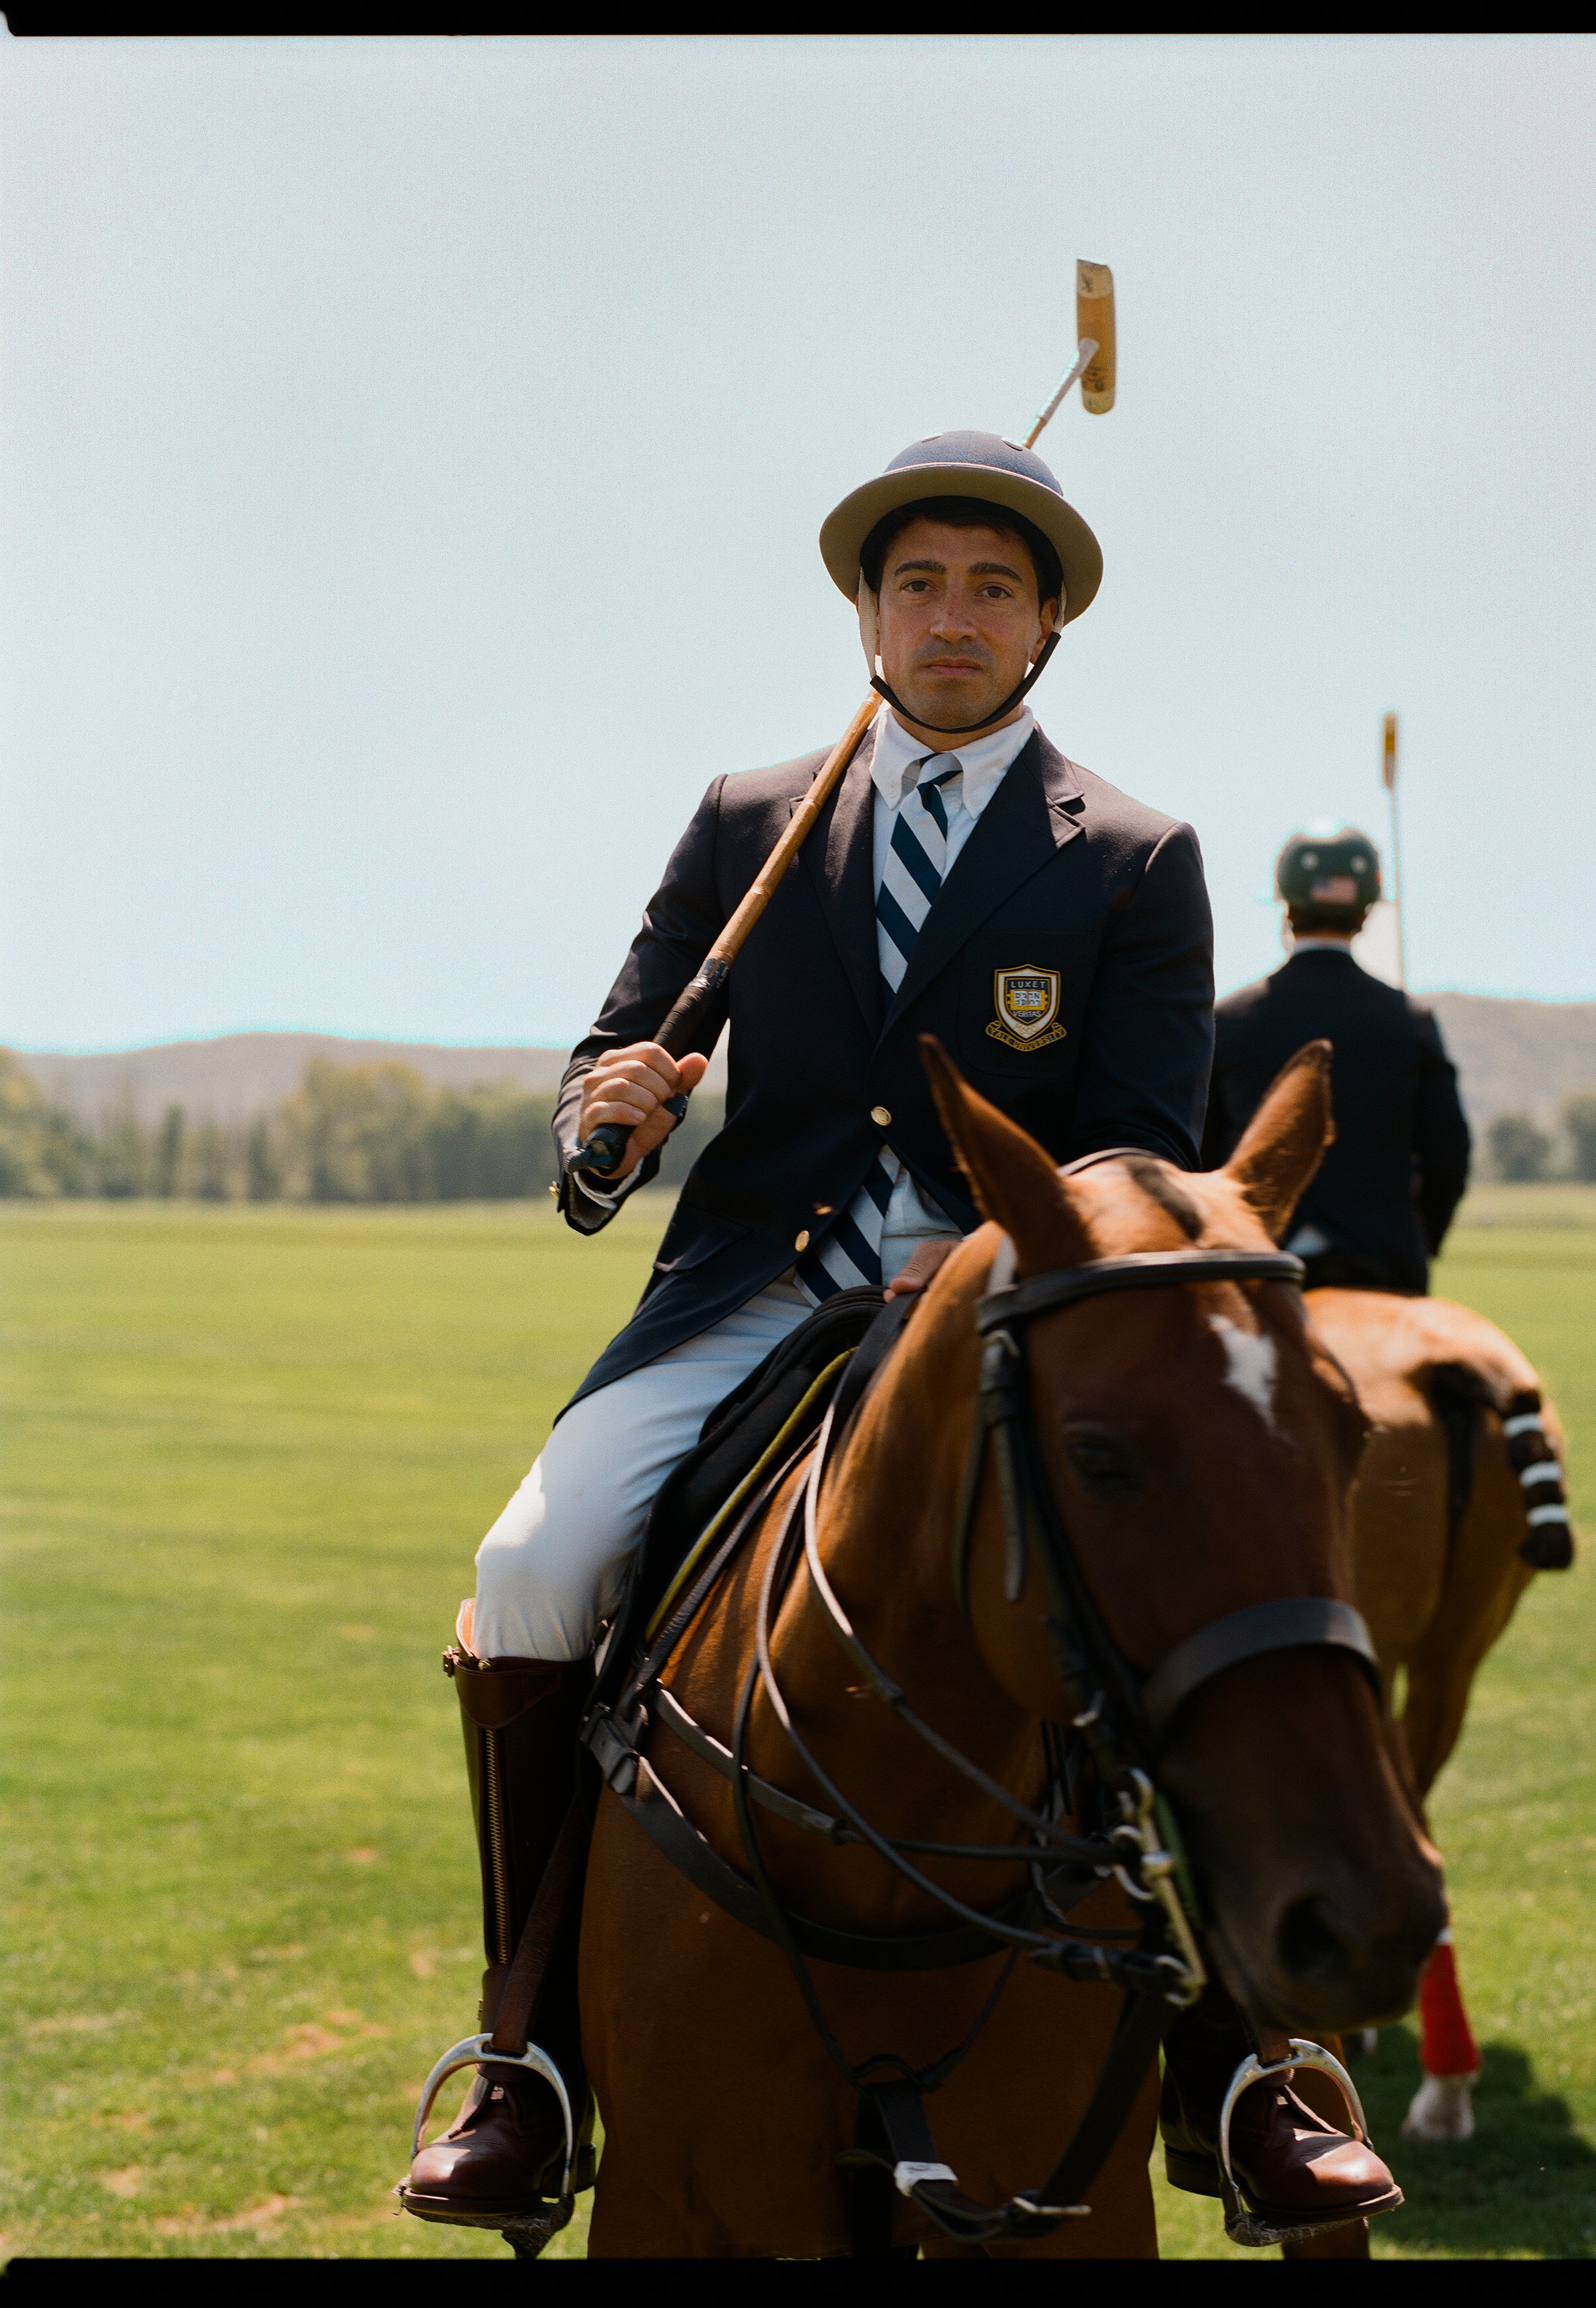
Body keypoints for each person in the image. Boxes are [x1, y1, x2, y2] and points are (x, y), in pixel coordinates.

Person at [407, 439, 1404, 2247]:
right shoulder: (746, 815)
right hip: (749, 1305)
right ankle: (526, 2058)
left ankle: (1245, 2067)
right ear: (866, 614)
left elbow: (1131, 1155)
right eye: (919, 584)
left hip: (1000, 1329)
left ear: (1042, 632)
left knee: (1139, 1599)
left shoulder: (1130, 856)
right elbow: (612, 1065)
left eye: (991, 589)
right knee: (531, 1565)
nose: (952, 616)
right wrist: (605, 1122)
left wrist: (979, 1272)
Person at [1201, 829, 1470, 1294]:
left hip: (1251, 1265)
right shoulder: (1410, 1020)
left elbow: (1199, 1156)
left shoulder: (1227, 1020)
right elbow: (1448, 1157)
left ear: (1284, 904)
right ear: (1366, 912)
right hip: (1383, 1261)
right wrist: (1417, 1242)